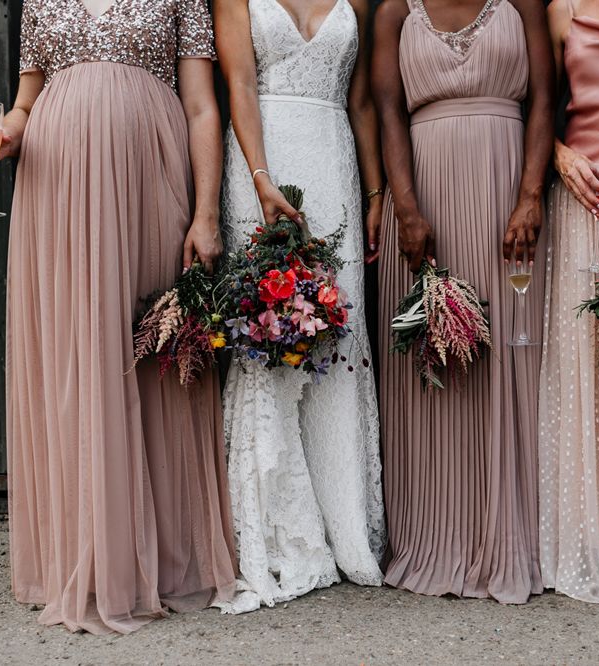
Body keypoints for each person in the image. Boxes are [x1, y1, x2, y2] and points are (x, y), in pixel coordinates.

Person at [0, 0, 237, 634]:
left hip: (148, 180)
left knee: (148, 352)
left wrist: (205, 213)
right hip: (57, 191)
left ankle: (156, 553)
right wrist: (4, 137)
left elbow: (201, 106)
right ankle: (87, 548)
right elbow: (27, 104)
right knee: (76, 354)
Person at [372, 0, 554, 603]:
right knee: (436, 359)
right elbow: (388, 111)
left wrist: (531, 194)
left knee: (509, 351)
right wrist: (405, 205)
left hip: (506, 189)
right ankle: (437, 530)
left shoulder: (523, 3)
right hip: (427, 196)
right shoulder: (396, 10)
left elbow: (545, 102)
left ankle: (513, 532)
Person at [212, 0, 386, 613]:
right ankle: (278, 531)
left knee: (336, 331)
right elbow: (237, 83)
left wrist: (374, 191)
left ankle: (345, 527)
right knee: (270, 333)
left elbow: (361, 102)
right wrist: (260, 178)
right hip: (262, 163)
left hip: (333, 160)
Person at [539, 0, 599, 604]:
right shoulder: (561, 10)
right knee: (591, 368)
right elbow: (538, 108)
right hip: (585, 206)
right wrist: (558, 155)